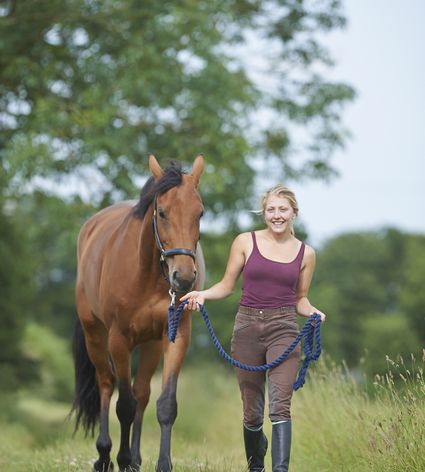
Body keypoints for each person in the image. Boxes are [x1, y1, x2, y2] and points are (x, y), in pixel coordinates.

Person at [180, 184, 326, 472]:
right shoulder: (245, 242)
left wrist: (313, 312)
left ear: (293, 212)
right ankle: (255, 467)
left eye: (282, 209)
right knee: (252, 412)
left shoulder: (306, 253)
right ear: (264, 213)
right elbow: (226, 286)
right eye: (271, 209)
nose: (276, 215)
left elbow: (300, 299)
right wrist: (202, 294)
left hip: (284, 327)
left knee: (280, 406)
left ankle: (280, 470)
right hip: (246, 327)